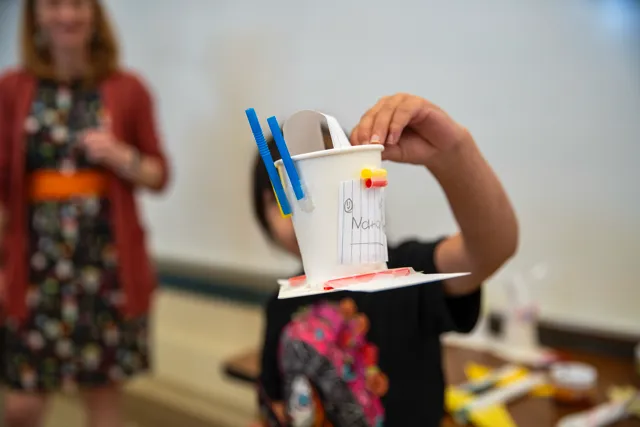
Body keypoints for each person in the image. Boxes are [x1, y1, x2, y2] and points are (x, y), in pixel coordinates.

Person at [251, 94, 518, 426]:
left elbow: (493, 247)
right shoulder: (280, 305)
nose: (297, 212)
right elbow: (273, 410)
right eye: (279, 198)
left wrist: (453, 154)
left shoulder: (405, 270)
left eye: (315, 186)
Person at [0, 0, 170, 426]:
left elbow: (158, 175)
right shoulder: (12, 89)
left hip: (106, 267)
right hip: (35, 269)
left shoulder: (128, 88)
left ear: (93, 14)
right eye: (54, 5)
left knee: (104, 403)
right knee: (22, 404)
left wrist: (120, 156)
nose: (66, 15)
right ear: (36, 15)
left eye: (77, 4)